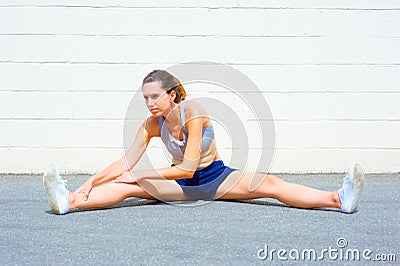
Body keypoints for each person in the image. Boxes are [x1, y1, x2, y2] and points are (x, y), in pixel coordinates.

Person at [43, 70, 365, 215]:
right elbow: (126, 163)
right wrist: (89, 182)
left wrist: (143, 175)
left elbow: (189, 165)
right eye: (145, 98)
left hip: (217, 180)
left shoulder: (194, 113)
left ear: (172, 95)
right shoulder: (152, 124)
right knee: (126, 187)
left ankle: (338, 200)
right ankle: (70, 201)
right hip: (181, 187)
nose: (150, 103)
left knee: (271, 183)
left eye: (155, 96)